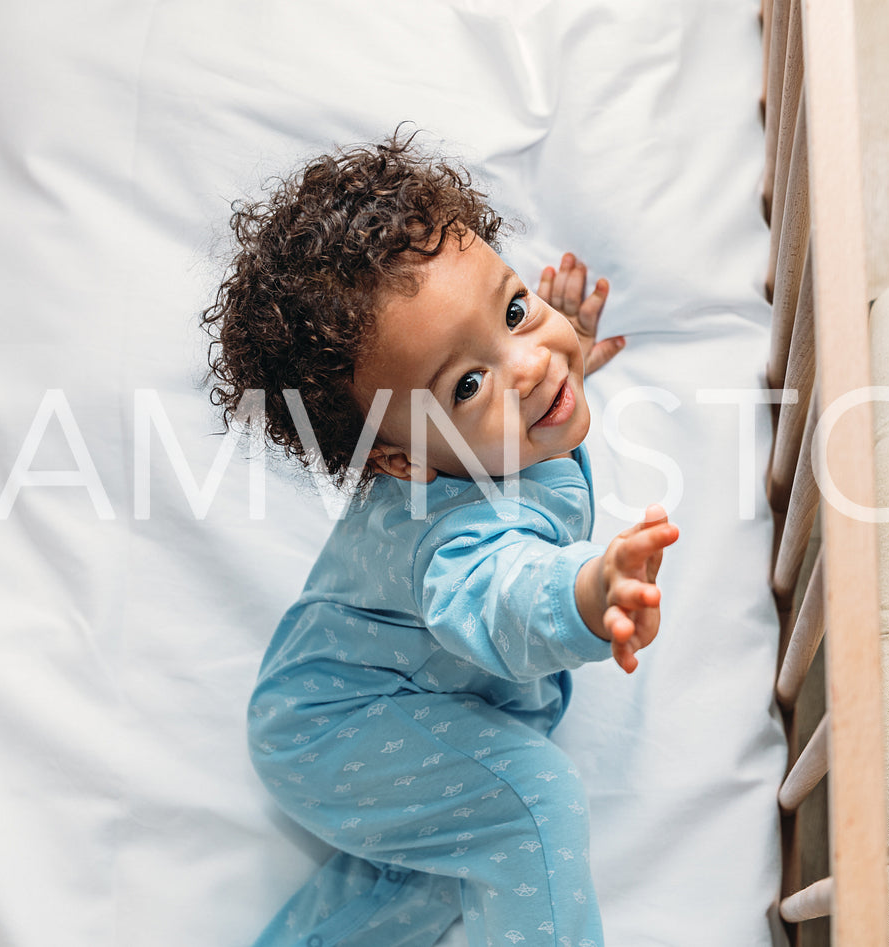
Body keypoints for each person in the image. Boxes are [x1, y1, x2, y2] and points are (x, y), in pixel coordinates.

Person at [202, 130, 679, 947]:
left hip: (363, 702)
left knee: (432, 878)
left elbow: (520, 369)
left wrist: (559, 341)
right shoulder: (452, 532)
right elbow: (498, 594)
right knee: (532, 806)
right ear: (404, 460)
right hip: (339, 727)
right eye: (466, 383)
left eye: (515, 307)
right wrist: (586, 593)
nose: (530, 365)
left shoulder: (503, 416)